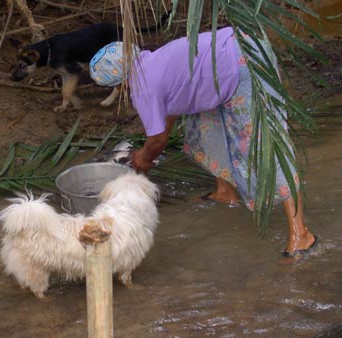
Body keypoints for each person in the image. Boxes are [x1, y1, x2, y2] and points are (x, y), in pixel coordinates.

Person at [89, 27, 317, 258]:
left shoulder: (142, 89)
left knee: (265, 147)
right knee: (207, 128)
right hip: (236, 52)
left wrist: (145, 157)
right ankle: (226, 191)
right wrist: (152, 149)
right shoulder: (151, 61)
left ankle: (301, 234)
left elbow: (157, 138)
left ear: (119, 85)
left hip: (247, 65)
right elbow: (170, 109)